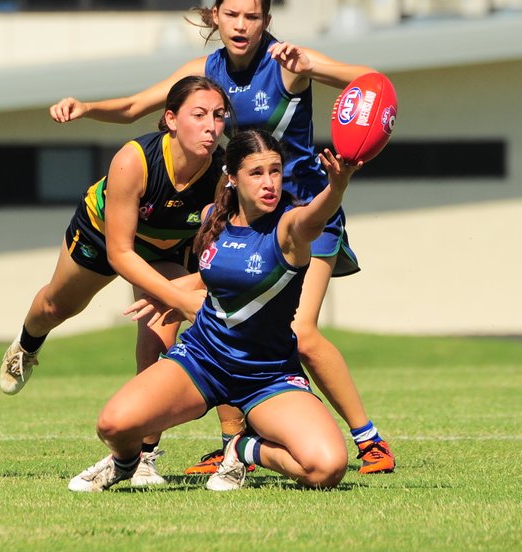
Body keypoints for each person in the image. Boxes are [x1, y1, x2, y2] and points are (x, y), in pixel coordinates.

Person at [49, 0, 396, 475]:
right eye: (231, 14)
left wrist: (315, 66)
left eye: (251, 16)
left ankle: (368, 440)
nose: (240, 24)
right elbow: (133, 107)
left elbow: (372, 83)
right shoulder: (204, 71)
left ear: (266, 21)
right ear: (215, 17)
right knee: (227, 322)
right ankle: (235, 443)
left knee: (298, 331)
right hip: (245, 227)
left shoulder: (288, 62)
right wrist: (85, 107)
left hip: (305, 221)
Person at [68, 129, 360, 492]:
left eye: (275, 171)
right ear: (232, 177)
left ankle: (243, 448)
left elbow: (313, 220)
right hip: (203, 360)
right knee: (113, 425)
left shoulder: (288, 227)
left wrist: (337, 187)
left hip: (267, 375)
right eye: (256, 173)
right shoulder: (210, 218)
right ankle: (125, 463)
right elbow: (217, 274)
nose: (269, 183)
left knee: (326, 468)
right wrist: (174, 292)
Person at [0, 75, 229, 486]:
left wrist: (180, 294)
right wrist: (178, 296)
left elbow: (222, 255)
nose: (211, 126)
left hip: (168, 248)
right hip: (103, 233)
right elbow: (120, 253)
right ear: (171, 119)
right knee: (57, 306)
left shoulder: (223, 174)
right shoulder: (133, 159)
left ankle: (143, 458)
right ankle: (27, 344)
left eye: (218, 116)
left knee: (159, 344)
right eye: (199, 115)